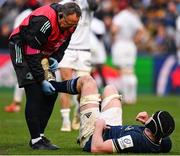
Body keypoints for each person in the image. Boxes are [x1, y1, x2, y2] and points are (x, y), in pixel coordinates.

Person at [44, 69, 175, 153]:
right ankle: (93, 106)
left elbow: (97, 148)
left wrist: (99, 126)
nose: (150, 116)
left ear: (154, 126)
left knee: (88, 82)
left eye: (153, 117)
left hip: (95, 134)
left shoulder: (134, 139)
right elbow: (163, 136)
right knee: (110, 89)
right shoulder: (163, 141)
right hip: (113, 126)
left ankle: (52, 85)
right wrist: (148, 122)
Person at [9, 2, 81, 150]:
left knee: (51, 93)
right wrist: (41, 80)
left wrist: (56, 58)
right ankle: (36, 141)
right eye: (68, 23)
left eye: (74, 24)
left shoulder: (72, 23)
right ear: (61, 16)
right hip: (22, 48)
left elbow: (63, 44)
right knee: (35, 91)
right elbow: (31, 51)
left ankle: (40, 136)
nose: (70, 27)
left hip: (40, 52)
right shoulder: (44, 21)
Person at [57, 0, 99, 131]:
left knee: (85, 86)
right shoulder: (63, 3)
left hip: (84, 50)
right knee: (66, 83)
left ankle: (77, 113)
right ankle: (65, 121)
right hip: (67, 48)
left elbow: (95, 5)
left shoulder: (88, 3)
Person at [111, 1, 146, 104]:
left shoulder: (119, 17)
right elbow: (141, 31)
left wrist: (113, 37)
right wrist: (134, 41)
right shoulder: (133, 17)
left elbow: (114, 30)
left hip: (120, 44)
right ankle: (132, 97)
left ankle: (126, 97)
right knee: (130, 71)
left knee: (123, 71)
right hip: (130, 44)